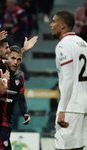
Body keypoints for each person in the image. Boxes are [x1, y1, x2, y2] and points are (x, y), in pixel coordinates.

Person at [50, 10, 87, 150]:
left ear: (63, 25)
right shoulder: (83, 43)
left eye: (54, 21)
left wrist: (61, 110)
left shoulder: (63, 45)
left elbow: (69, 79)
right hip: (84, 106)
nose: (51, 25)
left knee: (63, 148)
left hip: (72, 107)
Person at [0, 46, 30, 150]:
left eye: (19, 59)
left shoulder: (20, 77)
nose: (15, 62)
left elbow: (21, 98)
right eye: (13, 58)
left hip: (7, 122)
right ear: (6, 58)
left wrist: (25, 112)